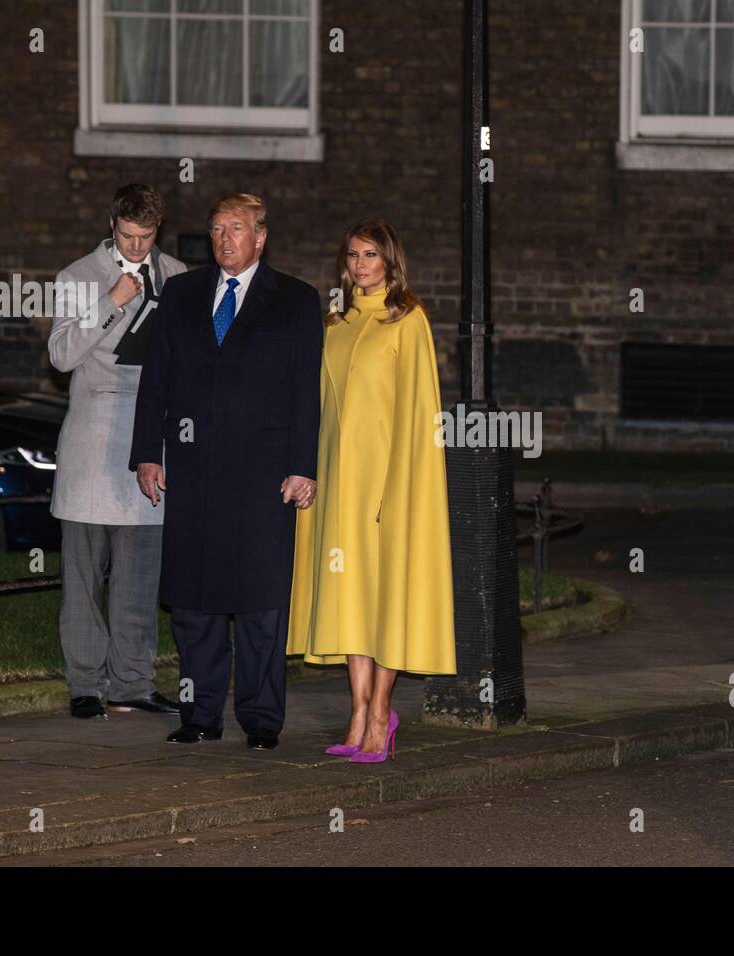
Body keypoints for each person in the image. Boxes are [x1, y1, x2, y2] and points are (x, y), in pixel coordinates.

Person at [129, 193, 323, 751]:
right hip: (192, 473)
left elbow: (304, 393)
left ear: (260, 237)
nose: (224, 240)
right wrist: (147, 452)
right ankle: (199, 713)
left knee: (261, 604)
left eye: (235, 229)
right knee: (195, 600)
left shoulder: (294, 300)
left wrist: (301, 467)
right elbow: (156, 379)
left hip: (263, 478)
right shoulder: (183, 294)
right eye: (216, 230)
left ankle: (262, 720)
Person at [288, 218, 456, 763]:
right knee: (352, 599)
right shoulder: (334, 323)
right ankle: (357, 710)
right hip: (340, 485)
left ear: (390, 262)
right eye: (353, 256)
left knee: (385, 600)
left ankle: (382, 713)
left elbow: (419, 413)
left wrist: (401, 489)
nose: (360, 265)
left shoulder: (407, 321)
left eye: (370, 256)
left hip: (388, 486)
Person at [48, 183, 187, 720]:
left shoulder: (177, 277)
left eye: (145, 236)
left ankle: (133, 680)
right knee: (83, 573)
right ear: (112, 226)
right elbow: (61, 355)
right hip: (92, 431)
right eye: (127, 236)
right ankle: (85, 683)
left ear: (158, 230)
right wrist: (112, 302)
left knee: (139, 573)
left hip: (152, 434)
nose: (135, 246)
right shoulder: (77, 276)